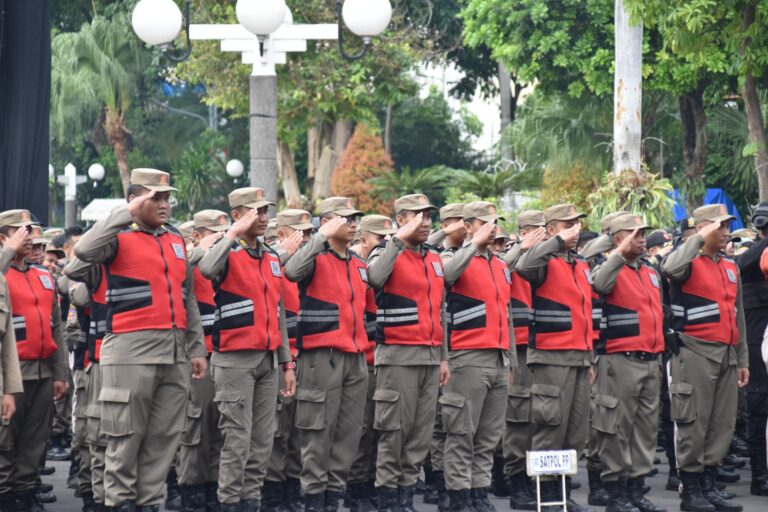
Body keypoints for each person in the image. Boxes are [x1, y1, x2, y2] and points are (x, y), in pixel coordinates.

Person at [74, 168, 208, 510]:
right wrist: (125, 213)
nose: (164, 205)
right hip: (130, 350)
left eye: (166, 198)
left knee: (164, 438)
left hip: (174, 351)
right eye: (155, 198)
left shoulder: (175, 238)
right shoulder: (116, 236)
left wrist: (196, 349)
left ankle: (147, 502)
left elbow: (188, 297)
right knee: (124, 437)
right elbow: (83, 253)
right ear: (134, 200)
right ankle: (119, 503)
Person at [198, 189, 295, 512]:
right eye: (256, 212)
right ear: (237, 215)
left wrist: (287, 364)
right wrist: (231, 234)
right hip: (235, 359)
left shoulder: (271, 256)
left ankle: (250, 501)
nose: (264, 217)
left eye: (266, 211)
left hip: (268, 359)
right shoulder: (227, 251)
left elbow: (278, 313)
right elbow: (207, 268)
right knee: (237, 439)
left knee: (263, 440)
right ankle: (229, 501)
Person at [662, 204, 750, 512]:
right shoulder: (687, 261)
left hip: (726, 354)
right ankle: (691, 490)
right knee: (694, 423)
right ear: (702, 229)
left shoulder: (730, 266)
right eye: (720, 226)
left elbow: (738, 316)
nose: (726, 232)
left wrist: (742, 360)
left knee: (721, 423)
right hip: (695, 352)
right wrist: (697, 239)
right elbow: (670, 268)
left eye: (727, 226)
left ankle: (709, 484)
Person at [284, 197, 369, 512]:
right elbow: (291, 271)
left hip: (355, 357)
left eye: (354, 218)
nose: (352, 224)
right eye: (345, 218)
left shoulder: (357, 263)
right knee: (317, 433)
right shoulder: (314, 257)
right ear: (327, 221)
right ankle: (314, 499)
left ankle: (333, 498)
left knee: (349, 434)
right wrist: (319, 236)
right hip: (322, 357)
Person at [367, 194, 450, 512]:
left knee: (420, 434)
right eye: (418, 216)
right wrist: (397, 241)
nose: (426, 222)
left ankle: (405, 496)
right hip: (398, 356)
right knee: (394, 432)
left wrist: (443, 357)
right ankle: (388, 498)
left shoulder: (433, 258)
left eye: (428, 216)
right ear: (401, 220)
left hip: (429, 357)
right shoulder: (385, 251)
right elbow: (375, 277)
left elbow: (439, 311)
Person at [514, 204, 593, 512]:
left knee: (575, 430)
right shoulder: (544, 260)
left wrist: (590, 358)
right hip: (551, 357)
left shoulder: (580, 262)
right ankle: (546, 495)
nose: (575, 229)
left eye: (577, 223)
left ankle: (562, 491)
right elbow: (523, 266)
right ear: (550, 229)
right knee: (550, 426)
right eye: (567, 224)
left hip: (580, 357)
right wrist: (555, 242)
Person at [441, 201, 514, 512]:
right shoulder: (452, 257)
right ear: (467, 226)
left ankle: (479, 493)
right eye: (484, 223)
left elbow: (507, 316)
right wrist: (473, 245)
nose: (492, 229)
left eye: (494, 223)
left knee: (488, 436)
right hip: (467, 357)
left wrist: (510, 360)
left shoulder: (500, 265)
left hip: (498, 358)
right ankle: (458, 496)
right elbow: (446, 275)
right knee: (461, 433)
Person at [590, 214, 666, 512]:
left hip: (650, 359)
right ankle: (616, 492)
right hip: (619, 359)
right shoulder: (607, 267)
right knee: (616, 429)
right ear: (617, 238)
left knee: (646, 430)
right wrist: (618, 254)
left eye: (643, 233)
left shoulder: (649, 270)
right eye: (634, 234)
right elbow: (599, 284)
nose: (642, 238)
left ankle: (636, 488)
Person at [0, 209, 69, 511]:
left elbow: (56, 328)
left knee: (35, 440)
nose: (28, 238)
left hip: (42, 371)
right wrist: (6, 253)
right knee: (5, 441)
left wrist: (60, 372)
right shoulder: (2, 271)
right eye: (20, 231)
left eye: (30, 231)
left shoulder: (43, 275)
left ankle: (26, 495)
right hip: (10, 372)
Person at [177, 210, 231, 512]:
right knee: (196, 430)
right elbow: (176, 272)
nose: (222, 239)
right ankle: (190, 492)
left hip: (228, 356)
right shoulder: (189, 259)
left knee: (224, 429)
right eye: (215, 234)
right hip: (198, 356)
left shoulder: (228, 260)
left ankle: (214, 492)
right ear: (197, 235)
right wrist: (199, 250)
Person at [263, 209, 313, 512]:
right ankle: (272, 493)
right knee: (276, 430)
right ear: (282, 235)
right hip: (284, 357)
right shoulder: (271, 263)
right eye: (300, 233)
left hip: (310, 356)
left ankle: (294, 490)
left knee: (301, 428)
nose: (306, 239)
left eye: (309, 233)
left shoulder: (311, 263)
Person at [347, 215, 397, 512]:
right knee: (361, 428)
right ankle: (356, 488)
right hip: (362, 358)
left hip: (383, 358)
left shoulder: (385, 265)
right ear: (364, 239)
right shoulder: (355, 266)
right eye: (381, 238)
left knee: (382, 427)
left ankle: (372, 484)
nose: (386, 243)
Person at [502, 210, 547, 511]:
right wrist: (522, 246)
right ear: (525, 232)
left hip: (544, 346)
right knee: (517, 417)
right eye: (538, 230)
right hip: (517, 347)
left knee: (542, 416)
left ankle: (537, 480)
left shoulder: (550, 259)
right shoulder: (510, 256)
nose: (543, 235)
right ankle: (516, 481)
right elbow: (502, 268)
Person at [736, 203, 768, 496]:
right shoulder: (750, 256)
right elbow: (742, 265)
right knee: (758, 405)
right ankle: (760, 475)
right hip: (757, 341)